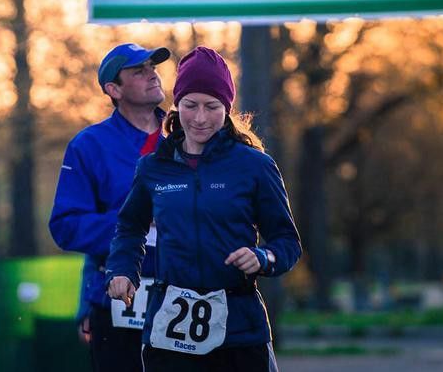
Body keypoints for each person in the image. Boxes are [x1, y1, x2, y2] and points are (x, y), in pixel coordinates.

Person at [106, 46, 302, 372]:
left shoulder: (255, 166)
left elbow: (287, 242)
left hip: (240, 327)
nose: (199, 118)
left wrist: (262, 257)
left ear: (227, 109)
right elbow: (129, 228)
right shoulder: (153, 168)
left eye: (211, 107)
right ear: (175, 106)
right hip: (169, 327)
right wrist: (122, 270)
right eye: (190, 105)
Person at [49, 42, 170, 372]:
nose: (152, 75)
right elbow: (66, 225)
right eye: (138, 70)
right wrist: (137, 225)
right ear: (113, 88)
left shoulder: (186, 134)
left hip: (184, 295)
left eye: (153, 67)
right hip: (117, 298)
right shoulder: (89, 144)